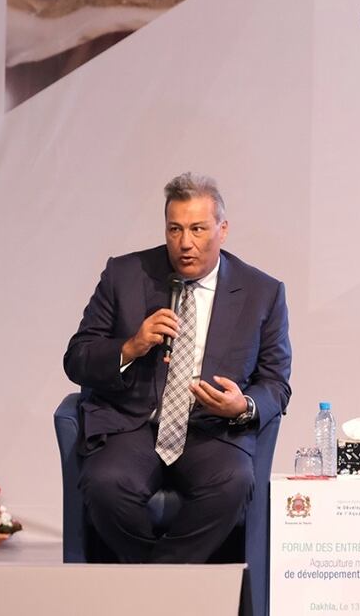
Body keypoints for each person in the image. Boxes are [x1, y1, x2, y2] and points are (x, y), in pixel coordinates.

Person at [63, 172, 291, 563]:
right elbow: (77, 357)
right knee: (104, 484)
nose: (185, 243)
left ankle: (153, 591)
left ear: (222, 229)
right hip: (132, 424)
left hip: (210, 428)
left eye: (198, 229)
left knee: (234, 483)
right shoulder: (124, 275)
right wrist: (131, 347)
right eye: (175, 229)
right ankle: (172, 593)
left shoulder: (262, 292)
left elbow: (275, 381)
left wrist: (243, 406)